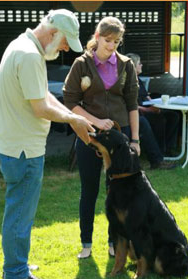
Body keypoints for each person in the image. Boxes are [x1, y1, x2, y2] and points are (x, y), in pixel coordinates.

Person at [0, 9, 95, 279]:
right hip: (23, 150)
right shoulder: (28, 55)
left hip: (16, 146)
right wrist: (72, 118)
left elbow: (44, 95)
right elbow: (39, 107)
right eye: (65, 42)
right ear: (52, 33)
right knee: (19, 214)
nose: (65, 48)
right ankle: (15, 273)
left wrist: (74, 116)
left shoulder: (23, 46)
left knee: (19, 211)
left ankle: (18, 262)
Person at [63, 17, 140, 259]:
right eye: (108, 41)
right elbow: (70, 103)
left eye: (116, 42)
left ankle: (113, 241)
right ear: (97, 37)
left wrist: (135, 140)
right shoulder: (81, 64)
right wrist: (95, 122)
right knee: (89, 190)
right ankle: (86, 243)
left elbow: (132, 105)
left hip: (120, 139)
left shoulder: (126, 65)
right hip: (90, 136)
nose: (112, 46)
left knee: (116, 193)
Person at [127, 53, 180, 159]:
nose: (141, 65)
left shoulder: (138, 79)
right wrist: (149, 110)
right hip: (139, 113)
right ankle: (159, 151)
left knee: (174, 116)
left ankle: (168, 148)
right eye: (139, 63)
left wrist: (157, 104)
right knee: (160, 119)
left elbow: (147, 96)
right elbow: (131, 106)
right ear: (133, 66)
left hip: (147, 108)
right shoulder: (127, 82)